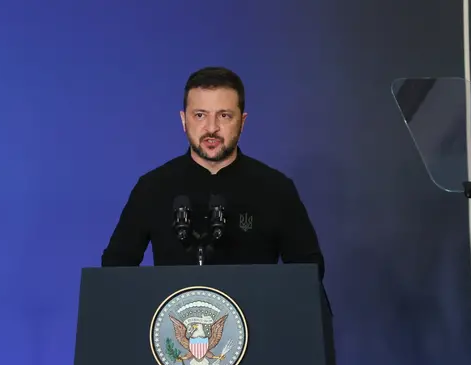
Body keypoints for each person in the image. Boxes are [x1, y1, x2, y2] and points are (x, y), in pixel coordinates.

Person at [101, 66, 325, 278]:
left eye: (224, 116)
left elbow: (308, 272)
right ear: (183, 120)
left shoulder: (276, 189)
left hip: (256, 318)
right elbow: (115, 269)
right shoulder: (152, 187)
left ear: (242, 121)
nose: (211, 128)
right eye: (200, 115)